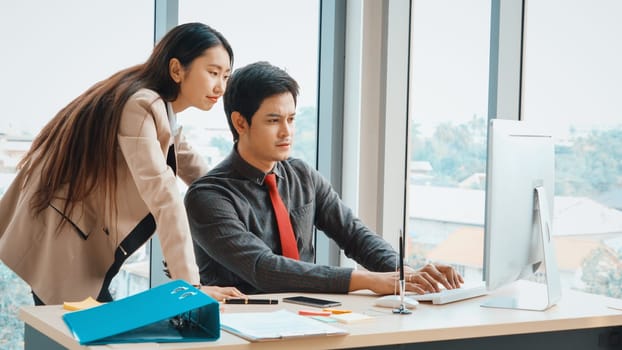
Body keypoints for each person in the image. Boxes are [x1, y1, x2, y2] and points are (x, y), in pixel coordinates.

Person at [0, 22, 245, 305]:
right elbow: (164, 196)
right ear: (177, 69)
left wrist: (235, 198)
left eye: (226, 76)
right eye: (213, 73)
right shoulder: (141, 105)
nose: (221, 87)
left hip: (73, 237)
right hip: (62, 242)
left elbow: (195, 168)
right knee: (79, 336)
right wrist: (190, 288)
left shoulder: (161, 109)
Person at [185, 61, 464, 295]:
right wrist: (367, 280)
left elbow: (355, 236)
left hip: (309, 318)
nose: (287, 132)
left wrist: (406, 275)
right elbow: (263, 268)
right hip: (242, 331)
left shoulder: (302, 175)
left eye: (291, 119)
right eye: (273, 121)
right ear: (240, 122)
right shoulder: (208, 196)